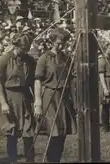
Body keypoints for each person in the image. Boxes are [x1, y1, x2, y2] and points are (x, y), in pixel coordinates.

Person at [33, 28, 76, 163]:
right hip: (50, 97)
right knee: (54, 131)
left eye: (63, 42)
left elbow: (71, 78)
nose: (61, 45)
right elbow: (38, 81)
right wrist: (38, 102)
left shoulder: (66, 58)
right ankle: (52, 159)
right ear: (52, 41)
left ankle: (55, 159)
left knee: (63, 132)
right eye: (58, 43)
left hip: (64, 97)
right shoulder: (44, 58)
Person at [0, 34, 35, 163]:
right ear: (16, 46)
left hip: (24, 96)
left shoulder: (29, 60)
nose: (26, 51)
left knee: (28, 131)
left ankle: (30, 160)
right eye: (23, 48)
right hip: (9, 96)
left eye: (28, 48)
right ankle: (12, 159)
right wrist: (3, 102)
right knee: (11, 132)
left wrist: (36, 99)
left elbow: (33, 81)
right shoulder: (4, 59)